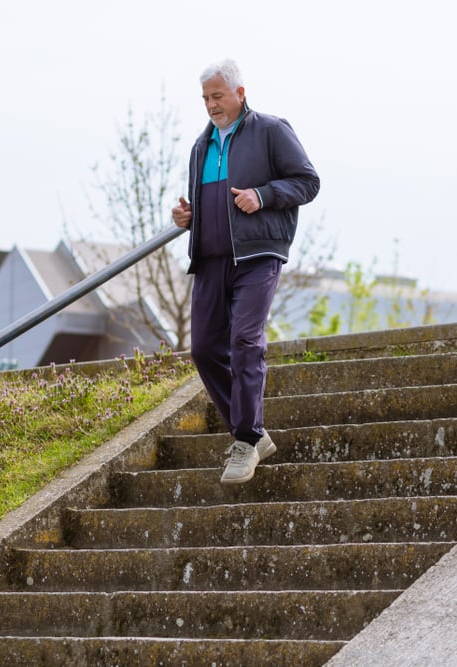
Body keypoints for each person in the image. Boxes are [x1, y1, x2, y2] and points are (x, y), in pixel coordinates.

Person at [171, 59, 320, 484]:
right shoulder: (201, 147)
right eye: (205, 98)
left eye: (217, 96)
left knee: (245, 340)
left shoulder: (271, 130)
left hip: (257, 256)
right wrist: (188, 217)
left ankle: (246, 438)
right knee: (203, 349)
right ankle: (252, 432)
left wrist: (263, 194)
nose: (211, 105)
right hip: (211, 259)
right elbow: (210, 206)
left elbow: (307, 182)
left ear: (239, 92)